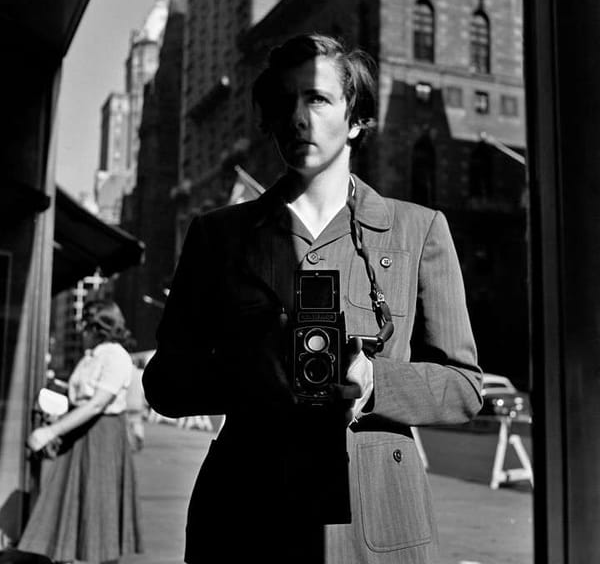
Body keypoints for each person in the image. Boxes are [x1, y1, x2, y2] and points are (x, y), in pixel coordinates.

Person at [142, 33, 482, 564]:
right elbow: (163, 381)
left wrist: (375, 381)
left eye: (317, 98)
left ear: (355, 119)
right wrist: (248, 370)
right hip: (246, 513)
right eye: (284, 102)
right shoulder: (218, 236)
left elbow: (464, 386)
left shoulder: (418, 231)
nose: (298, 117)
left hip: (376, 518)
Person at [18, 300, 143, 563]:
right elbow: (79, 399)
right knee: (76, 507)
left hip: (102, 437)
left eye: (85, 326)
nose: (82, 332)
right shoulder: (92, 355)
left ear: (98, 327)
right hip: (80, 436)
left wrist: (50, 432)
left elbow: (97, 403)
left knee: (100, 510)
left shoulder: (116, 355)